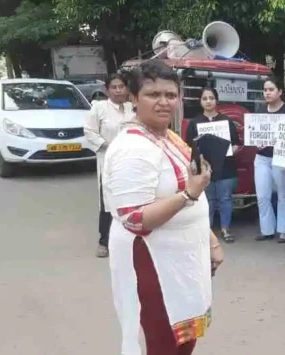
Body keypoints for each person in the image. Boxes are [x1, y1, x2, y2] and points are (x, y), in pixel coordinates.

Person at [102, 60, 224, 355]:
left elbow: (192, 194)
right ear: (133, 98)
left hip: (181, 257)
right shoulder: (132, 148)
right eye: (153, 94)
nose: (163, 102)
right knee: (163, 342)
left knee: (182, 340)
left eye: (170, 95)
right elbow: (134, 219)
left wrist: (211, 242)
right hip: (152, 260)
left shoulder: (167, 136)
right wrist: (188, 195)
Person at [84, 73, 135, 258]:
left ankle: (130, 239)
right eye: (114, 87)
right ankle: (104, 241)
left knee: (130, 197)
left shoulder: (133, 108)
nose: (118, 90)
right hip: (108, 161)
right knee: (108, 201)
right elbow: (89, 131)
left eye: (122, 86)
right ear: (107, 90)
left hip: (131, 161)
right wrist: (109, 146)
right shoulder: (99, 108)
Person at [183, 87, 242, 243]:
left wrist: (231, 150)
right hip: (204, 168)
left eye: (211, 98)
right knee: (207, 200)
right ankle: (206, 231)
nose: (208, 101)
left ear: (216, 100)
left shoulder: (226, 121)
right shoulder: (194, 122)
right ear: (200, 102)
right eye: (205, 98)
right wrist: (193, 162)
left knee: (225, 199)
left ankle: (225, 229)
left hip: (225, 167)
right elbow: (188, 146)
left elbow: (236, 144)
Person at [254, 78, 285, 243]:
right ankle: (267, 230)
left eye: (271, 89)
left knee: (283, 194)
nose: (267, 93)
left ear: (280, 92)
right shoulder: (259, 111)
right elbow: (254, 134)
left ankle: (284, 230)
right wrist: (256, 142)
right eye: (265, 90)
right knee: (262, 195)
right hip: (262, 157)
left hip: (281, 158)